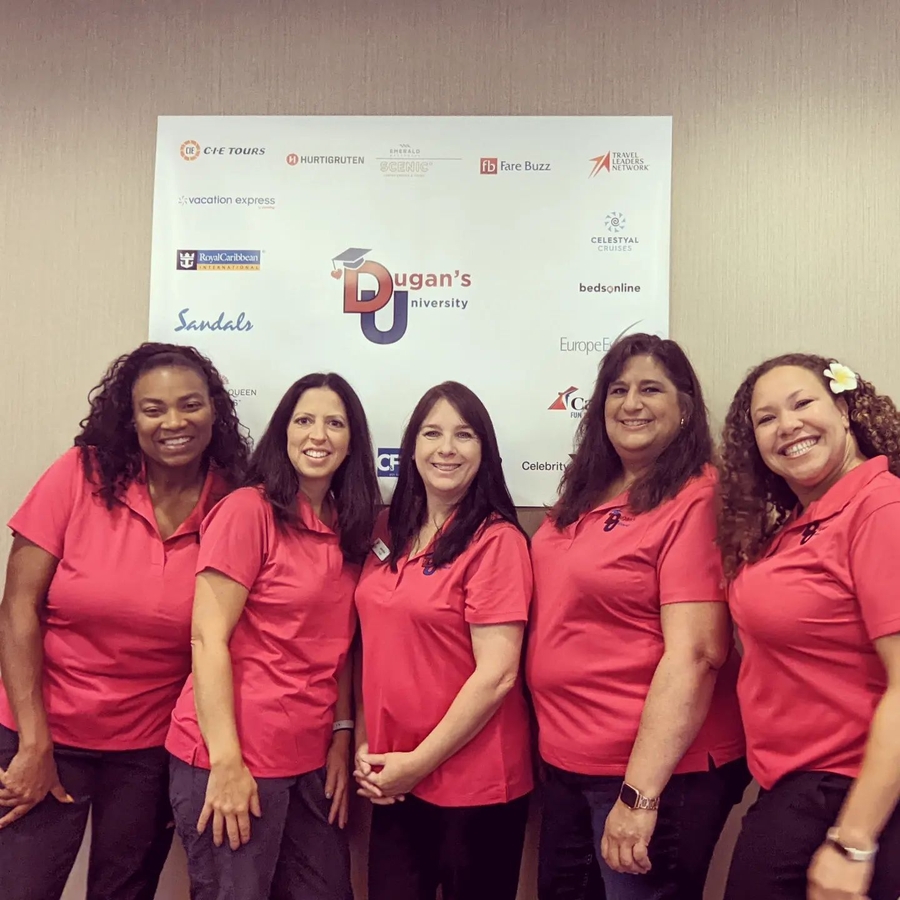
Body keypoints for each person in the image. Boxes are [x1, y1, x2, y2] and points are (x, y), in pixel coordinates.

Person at [0, 342, 249, 900]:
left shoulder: (235, 501)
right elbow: (17, 607)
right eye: (153, 409)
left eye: (190, 405)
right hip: (44, 730)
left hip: (148, 751)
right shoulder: (79, 474)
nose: (174, 422)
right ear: (130, 417)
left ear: (215, 410)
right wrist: (34, 745)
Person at [527, 333, 749, 900]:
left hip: (651, 776)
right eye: (618, 390)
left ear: (685, 408)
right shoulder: (586, 492)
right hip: (569, 763)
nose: (631, 403)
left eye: (651, 389)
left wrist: (639, 796)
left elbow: (696, 655)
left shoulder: (697, 498)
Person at [166, 372, 379, 900]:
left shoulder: (348, 525)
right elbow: (207, 639)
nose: (318, 435)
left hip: (310, 761)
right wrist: (226, 763)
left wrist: (342, 734)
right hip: (234, 755)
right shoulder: (249, 510)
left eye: (334, 424)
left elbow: (339, 646)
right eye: (304, 420)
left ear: (352, 441)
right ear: (283, 432)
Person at [717, 353, 900, 900]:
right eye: (766, 418)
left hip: (852, 795)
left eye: (802, 404)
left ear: (844, 410)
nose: (788, 425)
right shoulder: (803, 523)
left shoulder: (880, 510)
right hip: (797, 788)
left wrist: (854, 842)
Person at [353, 381, 533, 900]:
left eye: (464, 434)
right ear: (412, 448)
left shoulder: (496, 541)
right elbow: (370, 646)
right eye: (432, 433)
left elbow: (497, 675)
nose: (446, 448)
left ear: (485, 451)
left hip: (474, 786)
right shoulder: (387, 529)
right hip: (394, 778)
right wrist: (367, 744)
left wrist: (416, 765)